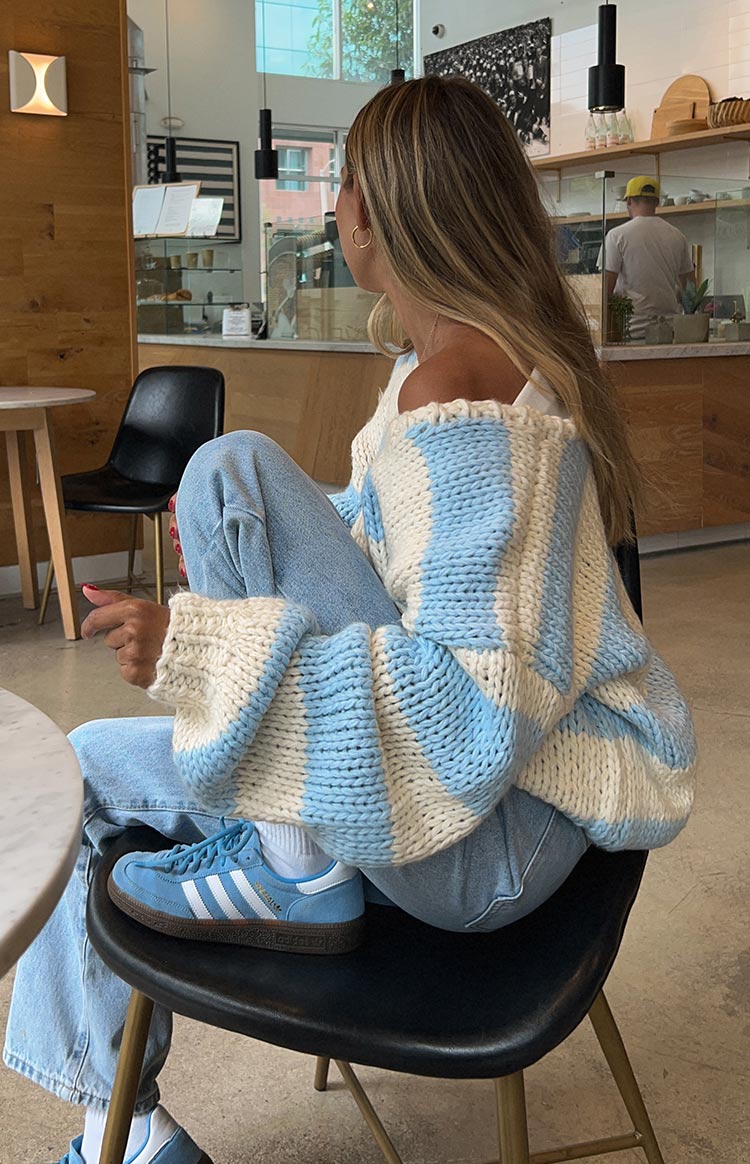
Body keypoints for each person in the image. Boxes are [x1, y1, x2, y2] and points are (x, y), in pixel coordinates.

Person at [4, 77, 696, 1164]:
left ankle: (299, 872)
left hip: (489, 842)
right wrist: (262, 559)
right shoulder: (434, 372)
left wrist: (202, 648)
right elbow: (393, 550)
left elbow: (467, 721)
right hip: (439, 808)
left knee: (229, 472)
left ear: (375, 212)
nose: (333, 209)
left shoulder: (467, 403)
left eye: (341, 185)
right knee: (80, 771)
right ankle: (122, 1134)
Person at [602, 176, 695, 340]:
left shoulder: (616, 236)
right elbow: (690, 289)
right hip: (670, 330)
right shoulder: (677, 236)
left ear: (628, 201)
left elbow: (605, 290)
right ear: (657, 202)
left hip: (631, 330)